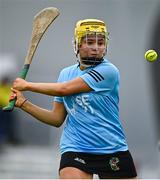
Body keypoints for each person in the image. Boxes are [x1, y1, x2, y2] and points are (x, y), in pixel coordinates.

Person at [10, 19, 137, 179]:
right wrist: (24, 104)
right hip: (76, 148)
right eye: (90, 42)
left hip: (111, 148)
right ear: (77, 45)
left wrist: (27, 85)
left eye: (101, 43)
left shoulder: (108, 71)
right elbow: (56, 119)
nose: (96, 48)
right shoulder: (66, 74)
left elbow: (64, 89)